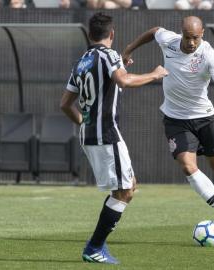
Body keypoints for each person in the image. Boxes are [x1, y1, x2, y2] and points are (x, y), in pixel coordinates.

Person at [122, 16, 214, 245]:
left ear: (203, 34)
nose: (191, 43)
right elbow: (154, 30)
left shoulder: (209, 54)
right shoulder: (169, 40)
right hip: (175, 119)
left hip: (205, 117)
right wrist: (129, 49)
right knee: (188, 167)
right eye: (187, 38)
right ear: (181, 33)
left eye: (195, 38)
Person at [60, 13, 168, 264]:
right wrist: (155, 74)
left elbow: (65, 104)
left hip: (90, 134)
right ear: (112, 34)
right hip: (106, 132)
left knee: (128, 186)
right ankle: (94, 247)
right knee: (126, 189)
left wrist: (83, 122)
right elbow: (124, 80)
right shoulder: (109, 56)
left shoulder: (81, 61)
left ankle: (96, 246)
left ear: (89, 35)